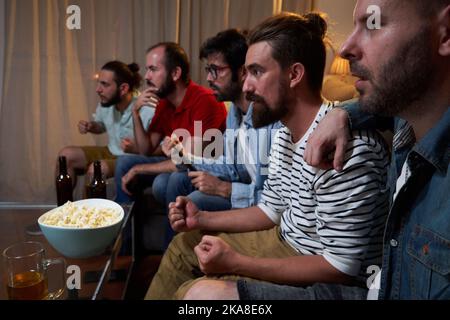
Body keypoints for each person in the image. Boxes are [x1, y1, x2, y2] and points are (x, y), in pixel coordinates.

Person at [145, 12, 390, 300]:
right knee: (183, 245)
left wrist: (235, 264)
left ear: (294, 75)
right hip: (284, 238)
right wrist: (201, 218)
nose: (246, 87)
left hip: (321, 269)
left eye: (257, 72)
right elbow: (270, 210)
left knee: (195, 293)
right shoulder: (284, 134)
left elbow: (340, 268)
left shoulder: (346, 150)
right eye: (246, 73)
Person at [301, 0, 450, 300]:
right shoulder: (404, 115)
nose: (344, 48)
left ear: (445, 34)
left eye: (373, 24)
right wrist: (341, 113)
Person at [156, 29, 282, 246]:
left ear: (242, 72)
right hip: (246, 189)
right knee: (178, 180)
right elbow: (232, 166)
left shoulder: (269, 120)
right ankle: (173, 248)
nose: (208, 78)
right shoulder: (234, 113)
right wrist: (185, 157)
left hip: (261, 206)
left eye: (216, 70)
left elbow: (276, 199)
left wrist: (225, 189)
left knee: (195, 200)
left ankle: (181, 252)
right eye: (208, 69)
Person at [114, 42, 227, 204]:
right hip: (180, 162)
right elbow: (146, 149)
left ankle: (175, 229)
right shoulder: (164, 103)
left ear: (175, 73)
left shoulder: (205, 101)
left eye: (153, 69)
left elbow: (192, 159)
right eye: (147, 70)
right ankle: (124, 224)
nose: (146, 77)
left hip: (204, 167)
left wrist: (139, 169)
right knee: (124, 162)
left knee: (164, 183)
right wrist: (135, 112)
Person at [57, 61, 154, 189]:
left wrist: (136, 148)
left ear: (123, 88)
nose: (98, 89)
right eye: (98, 83)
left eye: (104, 84)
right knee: (65, 155)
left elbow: (161, 149)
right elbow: (101, 126)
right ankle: (65, 208)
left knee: (96, 169)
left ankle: (89, 209)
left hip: (131, 158)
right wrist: (92, 126)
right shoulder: (107, 102)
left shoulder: (148, 108)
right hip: (110, 150)